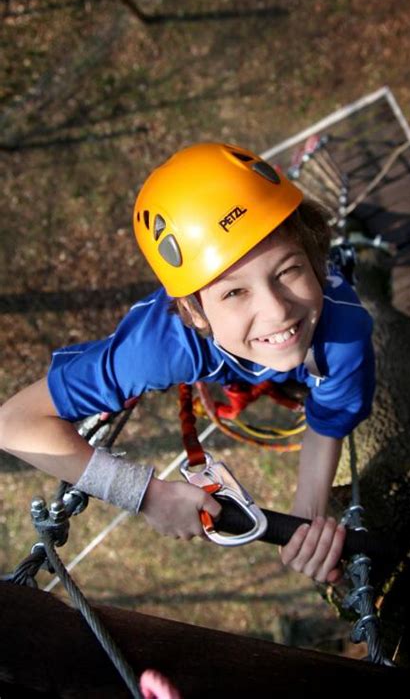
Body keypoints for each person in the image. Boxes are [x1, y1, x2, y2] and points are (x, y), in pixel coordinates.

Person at [0, 142, 375, 585]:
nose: (277, 310)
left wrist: (306, 519)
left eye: (289, 271)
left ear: (312, 260)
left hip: (298, 352)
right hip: (219, 353)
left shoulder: (344, 333)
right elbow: (15, 422)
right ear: (194, 311)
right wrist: (145, 494)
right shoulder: (161, 346)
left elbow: (329, 420)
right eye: (234, 292)